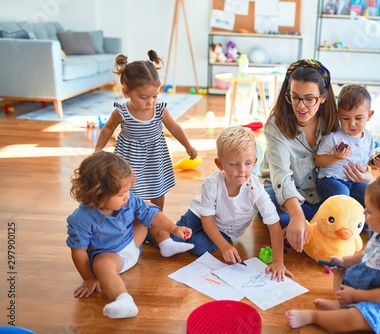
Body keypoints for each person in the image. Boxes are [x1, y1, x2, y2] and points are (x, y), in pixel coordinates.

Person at [286, 173, 380, 333]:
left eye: (370, 211)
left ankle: (315, 317)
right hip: (372, 287)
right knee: (342, 270)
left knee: (356, 318)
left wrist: (355, 295)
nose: (364, 214)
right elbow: (369, 254)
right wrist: (344, 261)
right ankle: (342, 305)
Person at [66, 152, 194, 319]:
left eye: (128, 191)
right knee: (102, 264)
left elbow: (151, 215)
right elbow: (79, 251)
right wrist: (89, 278)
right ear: (97, 195)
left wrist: (175, 229)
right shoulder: (81, 219)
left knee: (148, 211)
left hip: (133, 242)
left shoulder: (128, 199)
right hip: (112, 257)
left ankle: (166, 244)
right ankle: (123, 299)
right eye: (121, 194)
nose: (127, 196)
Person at [94, 50, 197, 255]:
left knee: (158, 190)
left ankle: (157, 225)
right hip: (129, 159)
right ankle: (129, 230)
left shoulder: (159, 110)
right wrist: (98, 149)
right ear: (126, 93)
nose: (150, 102)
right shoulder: (122, 111)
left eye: (154, 96)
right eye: (143, 97)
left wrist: (188, 145)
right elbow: (107, 129)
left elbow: (174, 128)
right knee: (129, 193)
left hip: (155, 158)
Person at [171, 126, 292, 281]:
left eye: (248, 163)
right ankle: (154, 225)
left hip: (224, 230)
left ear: (255, 162)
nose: (242, 170)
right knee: (175, 238)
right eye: (234, 164)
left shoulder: (256, 190)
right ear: (219, 164)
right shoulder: (211, 184)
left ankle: (173, 230)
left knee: (198, 248)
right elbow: (206, 219)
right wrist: (224, 246)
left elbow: (274, 225)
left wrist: (278, 261)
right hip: (197, 215)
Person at [258, 59, 339, 253]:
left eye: (309, 99)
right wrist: (296, 216)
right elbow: (281, 178)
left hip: (318, 191)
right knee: (266, 206)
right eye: (295, 97)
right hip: (281, 192)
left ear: (323, 97)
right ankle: (310, 221)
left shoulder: (332, 122)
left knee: (351, 200)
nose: (301, 106)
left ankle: (309, 221)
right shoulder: (275, 126)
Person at [316, 84, 380, 207]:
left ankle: (365, 223)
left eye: (359, 118)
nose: (352, 124)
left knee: (372, 196)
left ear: (369, 115)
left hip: (356, 183)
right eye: (345, 118)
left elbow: (368, 160)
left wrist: (375, 162)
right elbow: (318, 160)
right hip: (331, 180)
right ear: (339, 116)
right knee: (342, 194)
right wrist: (335, 157)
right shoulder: (334, 137)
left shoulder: (368, 137)